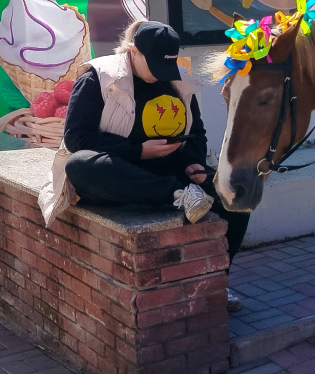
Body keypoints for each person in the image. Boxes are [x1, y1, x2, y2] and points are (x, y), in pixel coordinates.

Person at [37, 20, 250, 312]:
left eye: (167, 67)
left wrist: (193, 163)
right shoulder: (98, 77)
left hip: (169, 168)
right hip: (117, 173)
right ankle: (177, 196)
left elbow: (196, 132)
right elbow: (77, 137)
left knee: (234, 200)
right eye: (154, 66)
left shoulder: (178, 79)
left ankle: (219, 283)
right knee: (79, 164)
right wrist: (137, 151)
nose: (160, 76)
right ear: (133, 51)